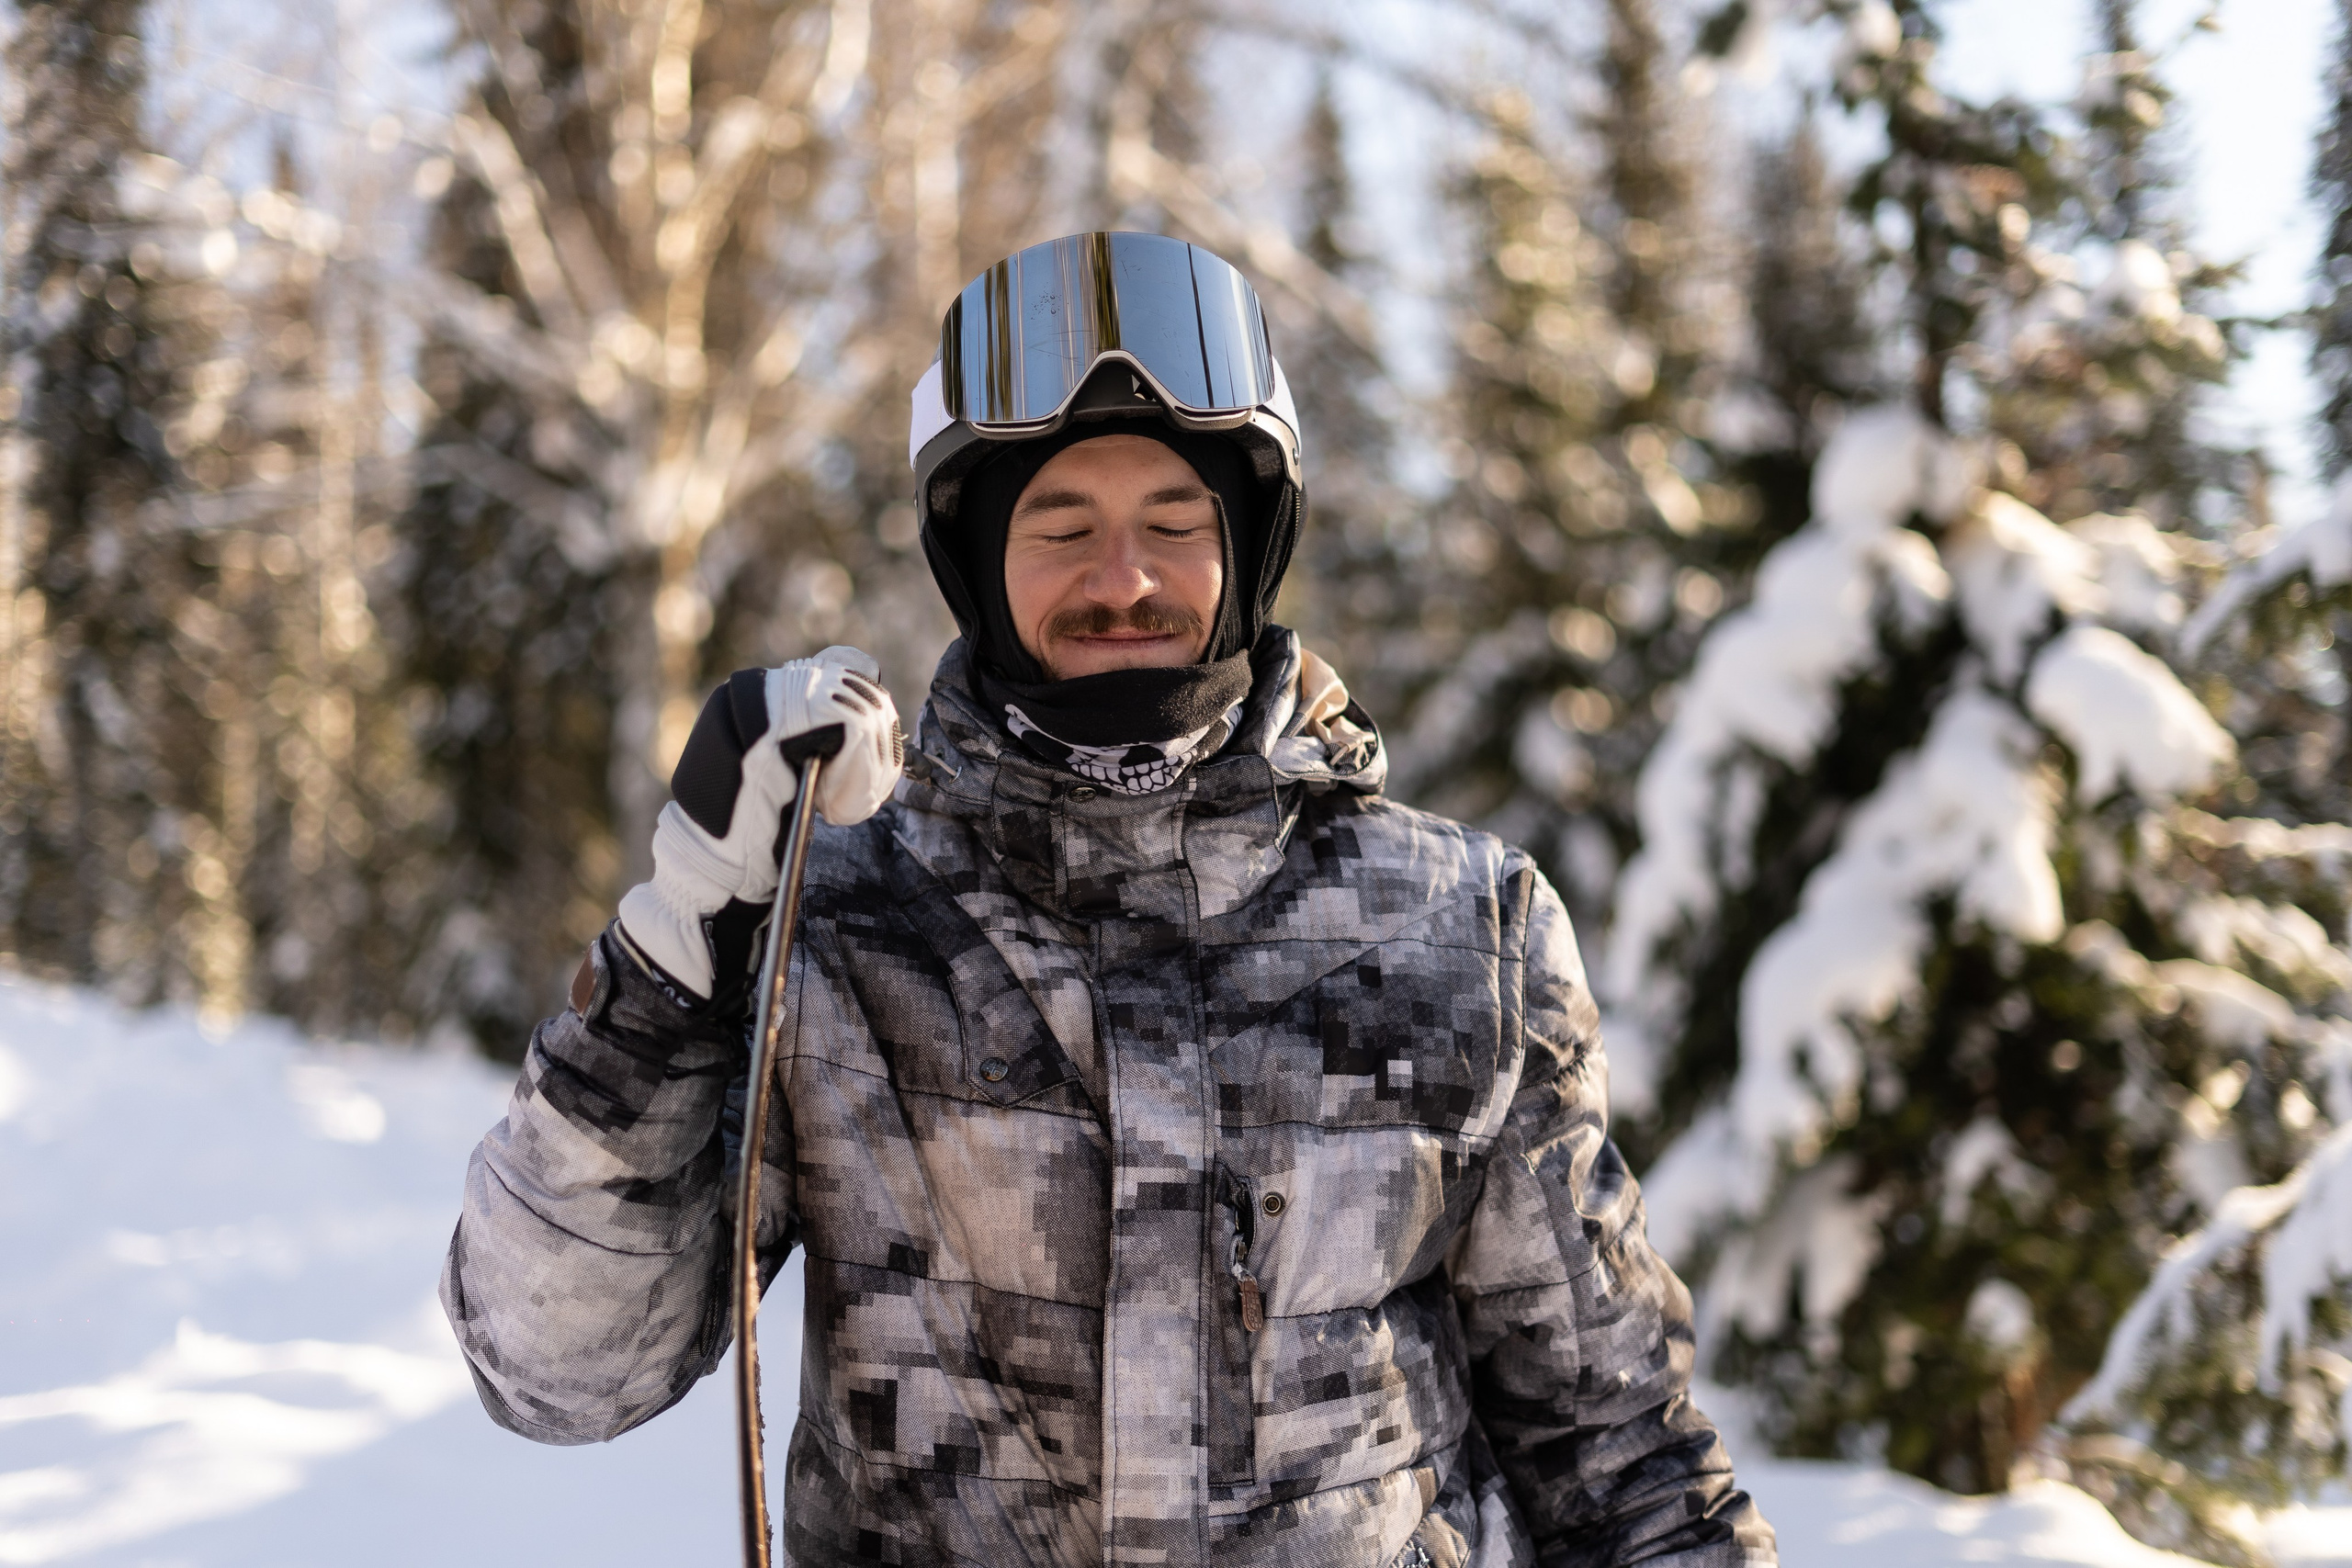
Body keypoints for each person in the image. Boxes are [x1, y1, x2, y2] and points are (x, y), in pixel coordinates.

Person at [441, 232, 1775, 1567]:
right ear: (977, 562)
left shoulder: (1458, 929)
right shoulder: (839, 928)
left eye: (1175, 526)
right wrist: (680, 943)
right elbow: (555, 1367)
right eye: (1062, 527)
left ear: (1249, 550)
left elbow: (1625, 1457)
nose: (1122, 579)